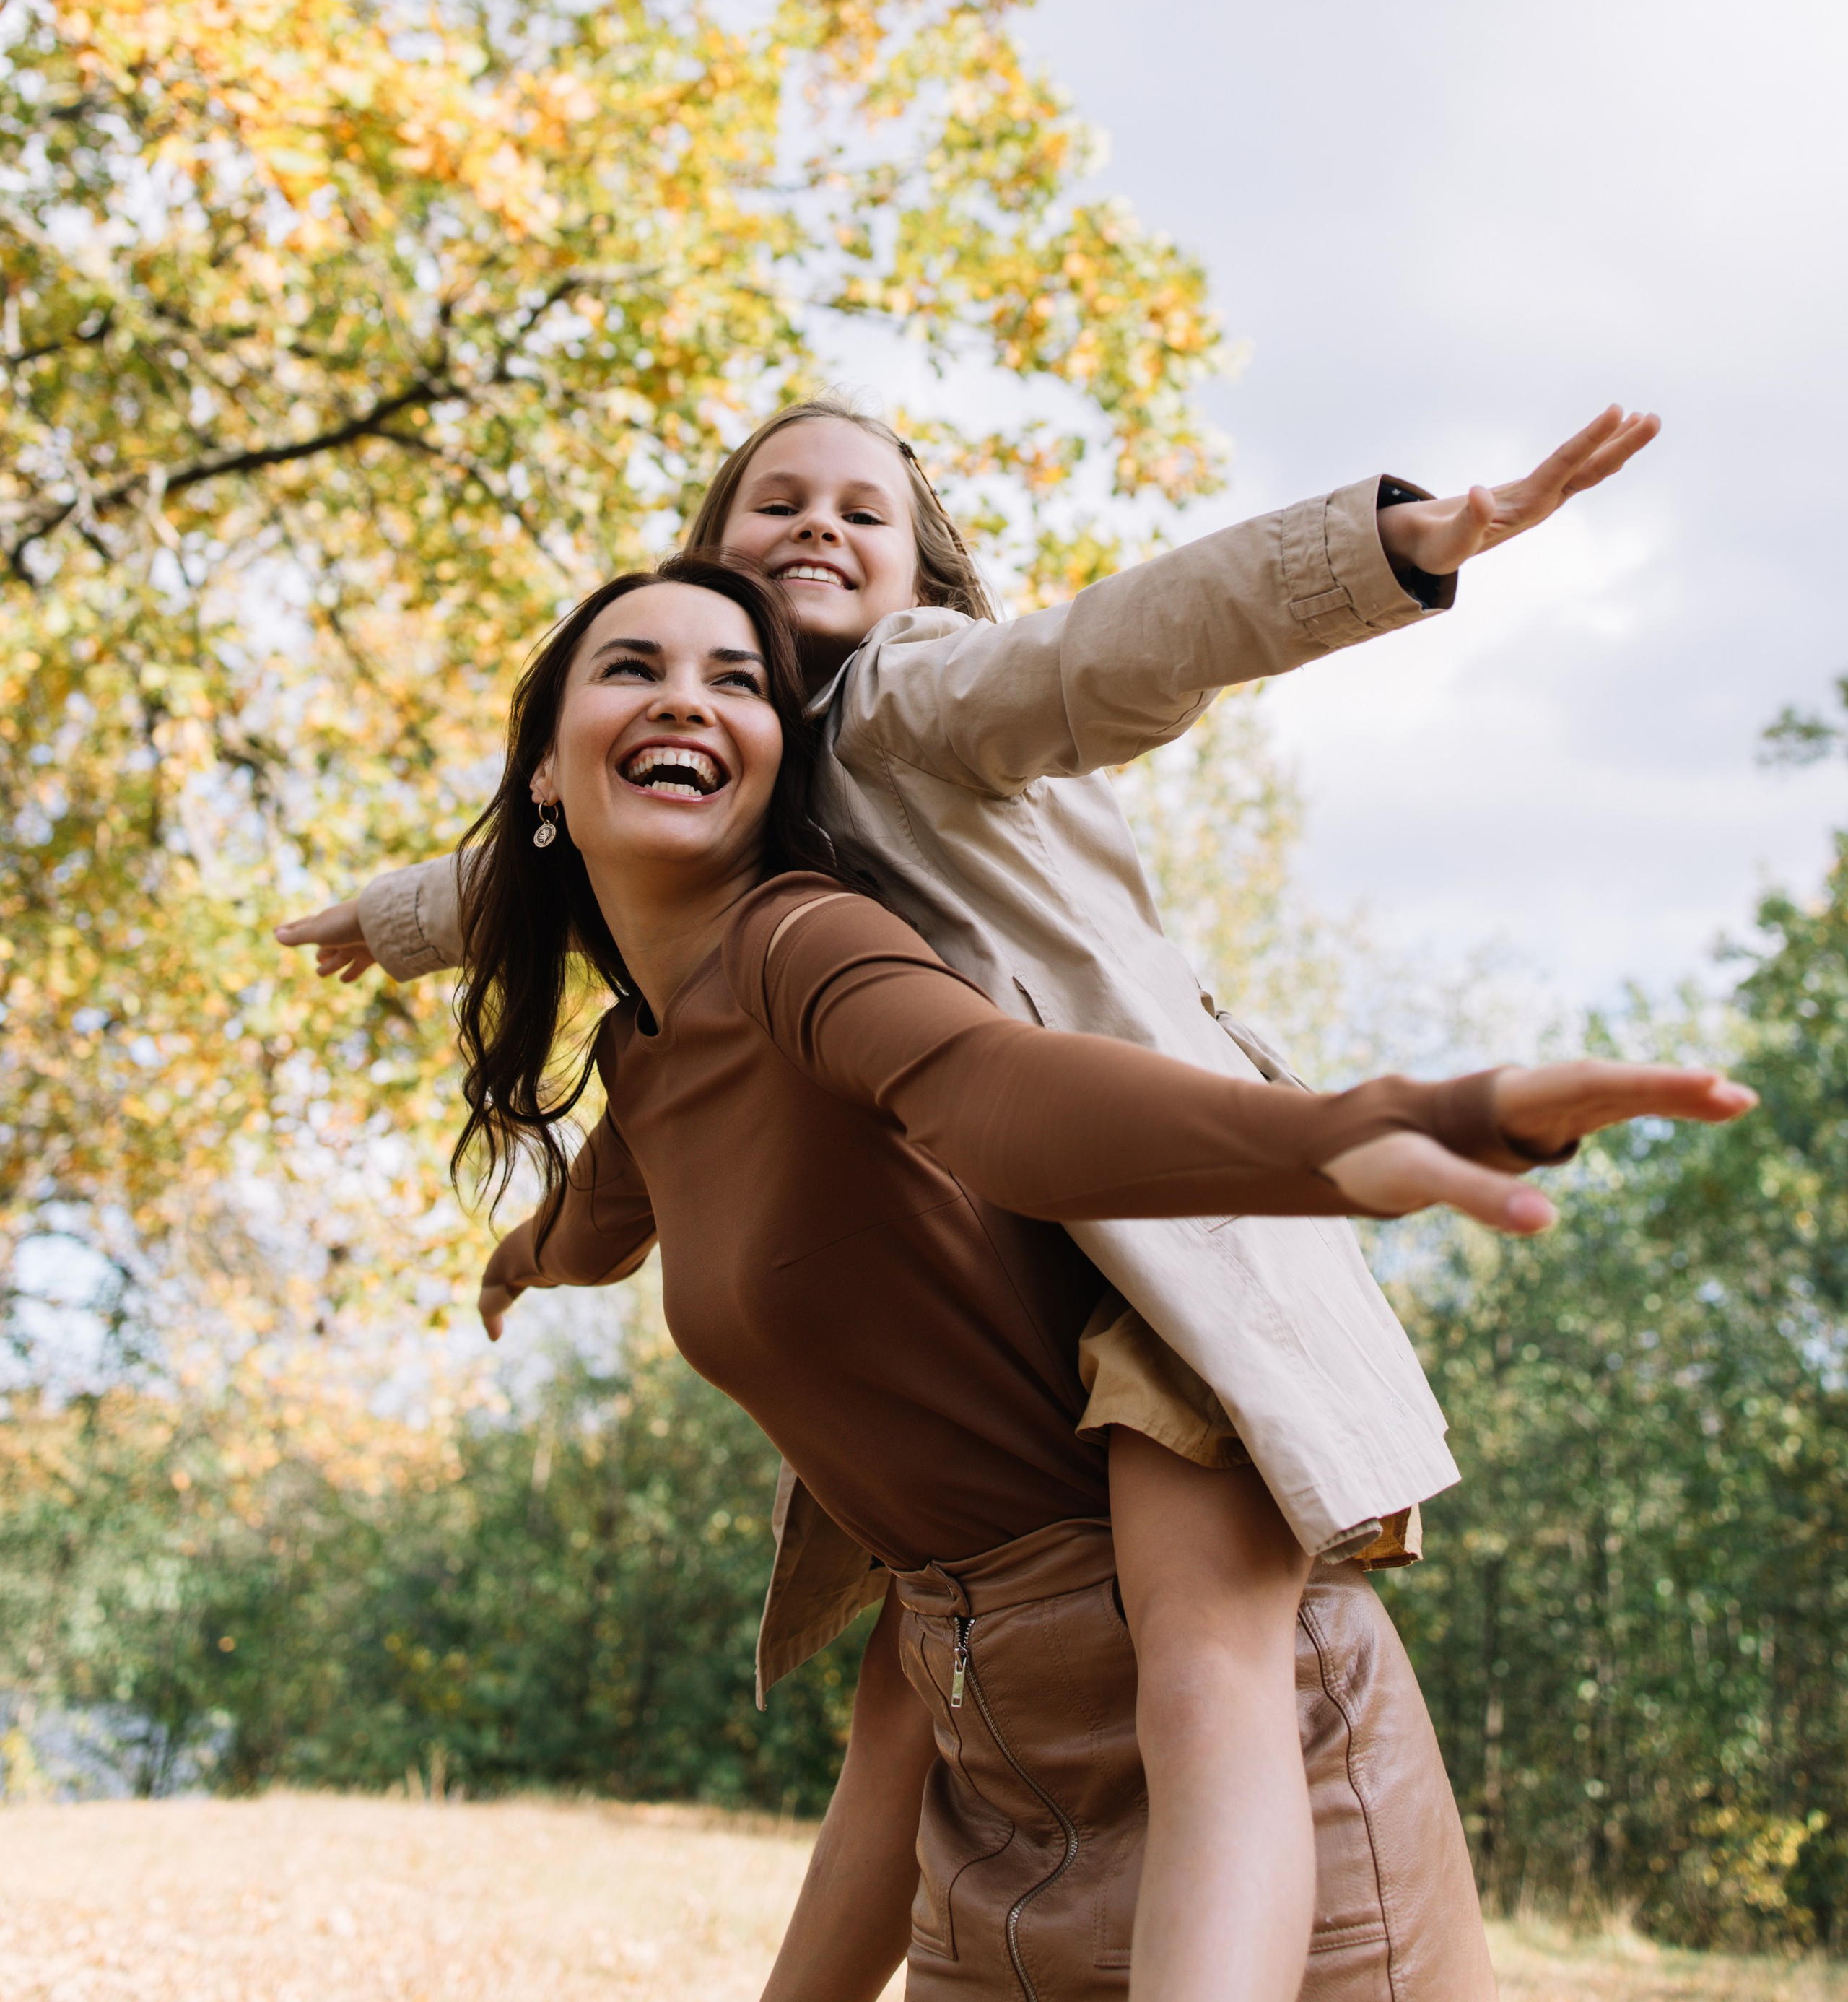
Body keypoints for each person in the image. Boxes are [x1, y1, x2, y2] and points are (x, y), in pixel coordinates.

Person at [279, 396, 1660, 2001]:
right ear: (705, 557)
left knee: (1205, 1676)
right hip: (1046, 1274)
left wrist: (1380, 549)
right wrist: (441, 1030)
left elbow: (1110, 650)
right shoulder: (736, 838)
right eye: (773, 502)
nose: (817, 528)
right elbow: (557, 849)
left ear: (917, 572)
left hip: (1171, 1233)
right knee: (928, 1658)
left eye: (862, 510)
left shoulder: (916, 692)